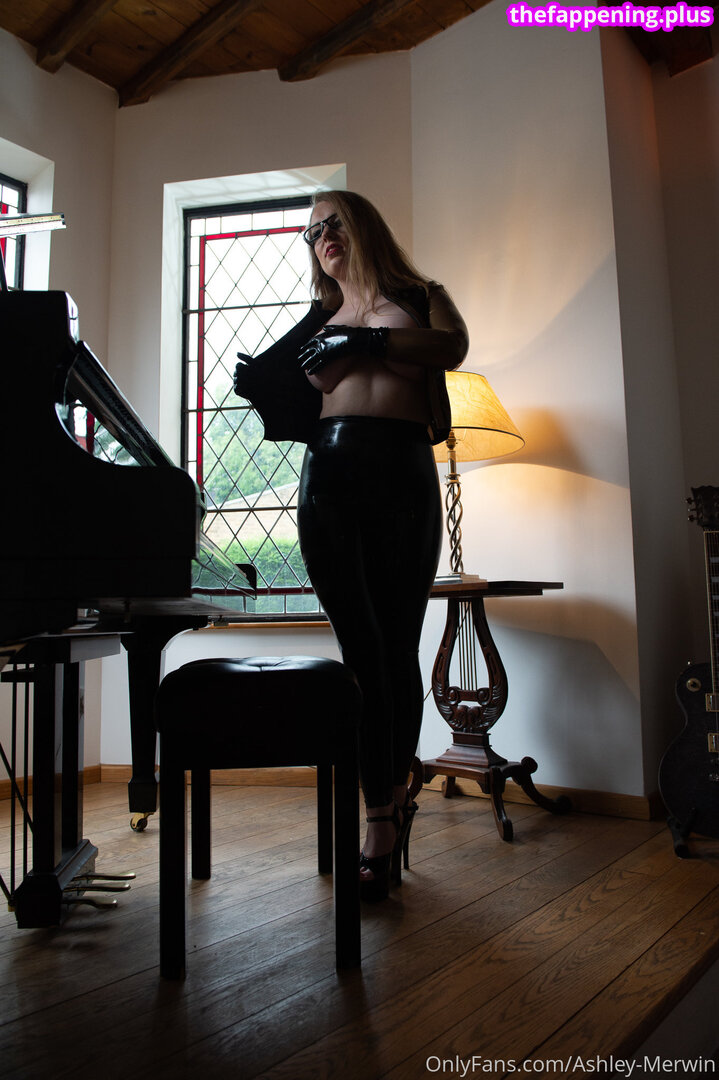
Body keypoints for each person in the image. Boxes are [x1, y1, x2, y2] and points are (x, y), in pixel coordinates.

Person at [233, 191, 468, 901]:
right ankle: (379, 816)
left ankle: (391, 807)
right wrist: (263, 380)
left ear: (363, 225)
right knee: (360, 652)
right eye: (311, 233)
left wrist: (365, 342)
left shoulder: (419, 296)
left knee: (397, 646)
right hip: (328, 478)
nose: (322, 237)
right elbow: (291, 398)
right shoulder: (316, 317)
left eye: (333, 223)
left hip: (401, 471)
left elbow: (451, 349)